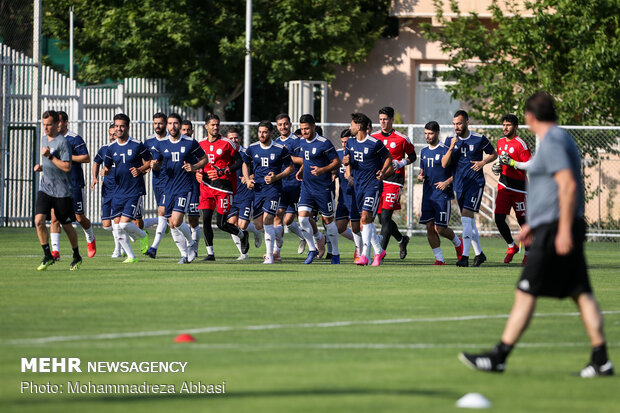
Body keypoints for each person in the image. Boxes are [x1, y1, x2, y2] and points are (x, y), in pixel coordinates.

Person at [459, 92, 614, 377]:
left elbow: (566, 186)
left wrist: (561, 228)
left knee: (525, 292)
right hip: (553, 224)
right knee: (582, 293)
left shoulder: (553, 140)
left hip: (556, 229)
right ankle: (601, 359)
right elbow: (552, 187)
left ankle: (499, 357)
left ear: (529, 117)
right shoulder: (559, 138)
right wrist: (534, 222)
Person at [441, 110, 497, 267]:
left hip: (475, 183)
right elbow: (444, 164)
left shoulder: (479, 138)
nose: (456, 127)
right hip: (459, 184)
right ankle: (479, 254)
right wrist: (451, 147)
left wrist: (483, 162)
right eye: (454, 124)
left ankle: (464, 257)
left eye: (459, 123)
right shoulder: (449, 140)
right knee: (469, 223)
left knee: (466, 217)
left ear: (466, 123)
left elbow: (494, 154)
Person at [149, 113, 207, 263]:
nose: (172, 126)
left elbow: (204, 159)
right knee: (172, 223)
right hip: (167, 188)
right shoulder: (161, 144)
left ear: (180, 126)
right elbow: (158, 162)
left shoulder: (190, 142)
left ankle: (191, 244)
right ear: (167, 125)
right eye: (170, 123)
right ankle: (184, 254)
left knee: (177, 220)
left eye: (175, 123)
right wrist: (155, 165)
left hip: (184, 187)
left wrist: (193, 167)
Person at [34, 110, 83, 271]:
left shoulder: (63, 143)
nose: (46, 128)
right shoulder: (43, 139)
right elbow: (51, 164)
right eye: (44, 125)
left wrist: (49, 157)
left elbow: (67, 167)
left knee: (67, 225)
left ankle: (76, 255)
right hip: (45, 188)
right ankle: (48, 255)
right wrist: (41, 167)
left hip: (62, 191)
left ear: (57, 124)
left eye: (49, 125)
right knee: (39, 221)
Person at [342, 113, 393, 266]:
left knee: (365, 217)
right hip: (358, 186)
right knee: (366, 221)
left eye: (351, 124)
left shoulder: (374, 143)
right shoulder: (350, 142)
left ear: (358, 126)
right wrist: (347, 165)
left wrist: (383, 172)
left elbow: (389, 157)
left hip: (373, 185)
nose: (350, 127)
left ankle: (364, 254)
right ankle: (379, 250)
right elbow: (347, 159)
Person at [292, 114, 341, 265]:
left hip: (323, 189)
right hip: (307, 188)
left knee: (328, 221)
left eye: (307, 128)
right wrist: (301, 169)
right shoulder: (302, 142)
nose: (305, 131)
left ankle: (335, 254)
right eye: (302, 129)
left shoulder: (324, 143)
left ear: (314, 127)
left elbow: (337, 162)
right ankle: (312, 249)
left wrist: (323, 169)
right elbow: (306, 159)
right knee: (302, 218)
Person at [243, 121, 295, 264]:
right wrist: (248, 179)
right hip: (257, 190)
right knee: (259, 225)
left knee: (267, 221)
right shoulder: (252, 148)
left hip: (273, 190)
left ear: (272, 133)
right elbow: (245, 164)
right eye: (260, 132)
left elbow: (290, 167)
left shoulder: (280, 149)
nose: (262, 134)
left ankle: (269, 256)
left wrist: (276, 177)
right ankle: (278, 233)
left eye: (265, 132)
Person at [102, 113, 152, 263]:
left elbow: (150, 161)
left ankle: (143, 235)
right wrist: (104, 171)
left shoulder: (137, 144)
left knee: (124, 223)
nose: (119, 129)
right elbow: (108, 166)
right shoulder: (111, 148)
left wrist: (140, 169)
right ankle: (131, 256)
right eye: (117, 126)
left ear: (127, 127)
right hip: (118, 191)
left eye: (122, 126)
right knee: (116, 226)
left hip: (134, 190)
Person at [198, 114, 247, 260]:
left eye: (217, 124)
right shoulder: (201, 144)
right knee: (205, 219)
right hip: (206, 186)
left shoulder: (227, 143)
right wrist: (198, 172)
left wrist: (223, 171)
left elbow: (239, 162)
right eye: (212, 124)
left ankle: (242, 234)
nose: (215, 127)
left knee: (221, 223)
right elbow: (199, 163)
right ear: (206, 126)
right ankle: (210, 254)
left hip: (224, 188)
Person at [49, 111, 96, 260]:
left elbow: (87, 157)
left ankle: (90, 237)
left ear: (66, 122)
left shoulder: (75, 138)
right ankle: (55, 251)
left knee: (79, 218)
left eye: (60, 121)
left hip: (75, 184)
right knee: (54, 217)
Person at [371, 107, 416, 259]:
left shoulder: (402, 138)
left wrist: (401, 163)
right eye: (380, 119)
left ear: (391, 119)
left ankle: (380, 254)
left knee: (385, 217)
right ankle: (402, 239)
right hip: (378, 181)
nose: (383, 122)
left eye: (385, 119)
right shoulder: (374, 137)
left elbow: (413, 156)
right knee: (381, 219)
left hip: (394, 181)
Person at [417, 121, 463, 264]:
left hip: (442, 195)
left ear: (437, 133)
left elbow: (458, 172)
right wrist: (420, 176)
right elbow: (422, 170)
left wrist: (447, 182)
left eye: (430, 133)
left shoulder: (446, 149)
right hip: (428, 195)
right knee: (429, 227)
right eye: (425, 133)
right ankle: (439, 259)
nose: (427, 136)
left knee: (440, 228)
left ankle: (458, 242)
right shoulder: (423, 151)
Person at [491, 114, 532, 266]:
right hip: (504, 185)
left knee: (524, 222)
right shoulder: (500, 142)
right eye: (504, 125)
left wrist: (513, 162)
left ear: (516, 127)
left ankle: (528, 254)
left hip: (520, 189)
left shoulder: (521, 144)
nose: (505, 128)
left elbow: (529, 164)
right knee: (499, 218)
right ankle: (511, 246)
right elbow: (501, 161)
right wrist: (497, 167)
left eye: (508, 125)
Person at [273, 113, 307, 259]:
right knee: (278, 216)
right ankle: (276, 251)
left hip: (296, 184)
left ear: (290, 124)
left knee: (297, 219)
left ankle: (314, 238)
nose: (283, 127)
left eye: (285, 124)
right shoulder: (275, 142)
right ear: (277, 126)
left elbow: (304, 160)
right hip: (281, 185)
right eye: (280, 124)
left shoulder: (297, 141)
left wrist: (288, 157)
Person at [226, 127, 263, 259]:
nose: (234, 140)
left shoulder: (247, 153)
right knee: (232, 224)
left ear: (240, 139)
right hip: (230, 194)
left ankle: (256, 231)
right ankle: (243, 254)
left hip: (246, 194)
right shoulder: (225, 154)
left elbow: (257, 170)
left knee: (243, 225)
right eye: (231, 138)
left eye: (236, 138)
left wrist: (250, 177)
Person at [91, 124, 124, 257]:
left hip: (121, 189)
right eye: (110, 134)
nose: (111, 137)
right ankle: (125, 234)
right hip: (107, 189)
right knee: (106, 224)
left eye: (114, 134)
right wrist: (95, 177)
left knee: (117, 221)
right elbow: (96, 162)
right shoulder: (104, 149)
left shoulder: (123, 148)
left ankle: (118, 249)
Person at [144, 113, 169, 258]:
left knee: (162, 212)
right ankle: (190, 246)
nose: (157, 126)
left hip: (171, 182)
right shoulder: (149, 141)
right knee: (169, 219)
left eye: (160, 123)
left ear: (165, 124)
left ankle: (153, 247)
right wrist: (147, 167)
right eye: (155, 123)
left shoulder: (171, 140)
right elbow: (145, 160)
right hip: (157, 182)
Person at [335, 129, 363, 259]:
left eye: (346, 142)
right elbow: (333, 169)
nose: (344, 145)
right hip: (342, 196)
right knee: (339, 227)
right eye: (342, 142)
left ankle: (359, 250)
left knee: (355, 226)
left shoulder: (357, 154)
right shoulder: (338, 154)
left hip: (354, 195)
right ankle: (365, 241)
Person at [180, 119, 202, 255]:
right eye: (184, 130)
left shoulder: (195, 147)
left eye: (189, 130)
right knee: (175, 220)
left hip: (193, 187)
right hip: (177, 188)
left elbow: (204, 165)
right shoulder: (174, 145)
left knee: (193, 220)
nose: (186, 132)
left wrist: (194, 169)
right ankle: (184, 248)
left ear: (192, 131)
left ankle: (194, 249)